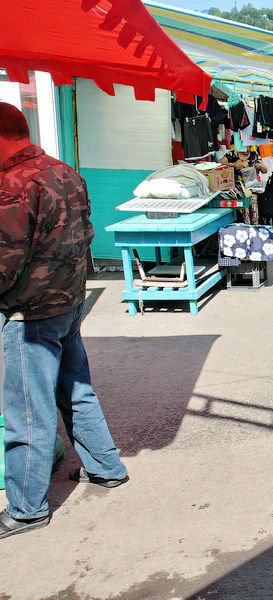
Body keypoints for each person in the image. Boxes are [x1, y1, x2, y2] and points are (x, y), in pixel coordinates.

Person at [0, 103, 128, 540]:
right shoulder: (65, 171)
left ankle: (26, 509)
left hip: (29, 312)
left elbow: (5, 259)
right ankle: (105, 467)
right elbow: (87, 233)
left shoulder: (13, 184)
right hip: (69, 302)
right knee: (76, 389)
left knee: (27, 412)